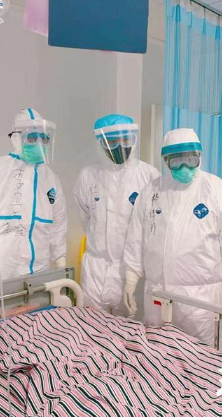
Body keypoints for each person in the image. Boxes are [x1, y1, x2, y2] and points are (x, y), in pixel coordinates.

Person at [123, 128, 222, 352]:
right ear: (166, 161)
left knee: (204, 357)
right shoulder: (151, 192)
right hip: (159, 294)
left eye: (190, 160)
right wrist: (131, 278)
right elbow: (136, 239)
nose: (184, 167)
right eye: (176, 161)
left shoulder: (216, 190)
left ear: (199, 157)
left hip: (202, 300)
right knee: (159, 354)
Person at [0, 108, 67, 284]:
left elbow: (58, 225)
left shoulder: (51, 179)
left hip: (39, 274)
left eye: (44, 138)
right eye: (32, 138)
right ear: (17, 138)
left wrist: (60, 261)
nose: (39, 143)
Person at [74, 114, 159, 315]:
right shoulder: (88, 176)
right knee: (91, 324)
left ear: (133, 139)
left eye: (125, 139)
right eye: (112, 141)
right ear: (101, 143)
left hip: (132, 271)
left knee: (131, 327)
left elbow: (154, 226)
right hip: (96, 269)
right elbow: (85, 218)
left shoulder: (149, 176)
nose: (120, 146)